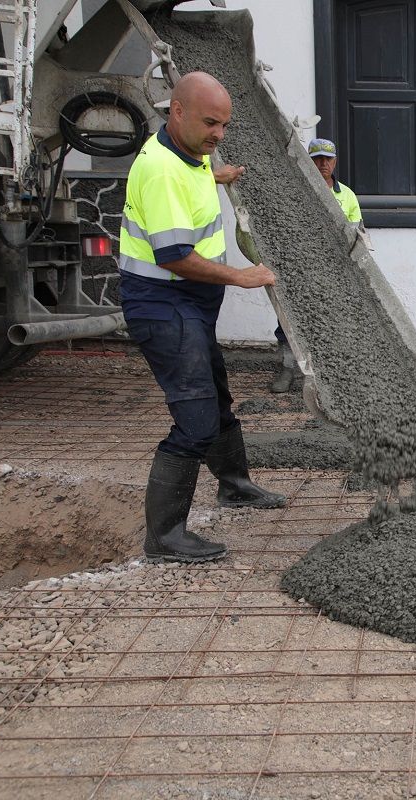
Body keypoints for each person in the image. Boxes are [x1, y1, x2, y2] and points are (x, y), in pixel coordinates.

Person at [119, 71, 287, 564]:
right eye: (211, 123)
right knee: (194, 419)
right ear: (177, 111)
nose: (218, 135)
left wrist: (216, 175)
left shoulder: (188, 155)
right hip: (163, 303)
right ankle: (165, 537)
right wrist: (241, 277)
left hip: (188, 303)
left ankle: (234, 486)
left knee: (216, 396)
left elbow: (190, 178)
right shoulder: (162, 171)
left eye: (224, 126)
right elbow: (172, 254)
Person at [270, 137, 365, 393]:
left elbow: (358, 235)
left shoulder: (347, 196)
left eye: (328, 159)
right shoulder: (294, 191)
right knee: (288, 320)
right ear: (308, 160)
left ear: (335, 162)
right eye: (317, 158)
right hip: (299, 269)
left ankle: (332, 372)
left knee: (332, 321)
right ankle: (288, 368)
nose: (323, 163)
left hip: (334, 272)